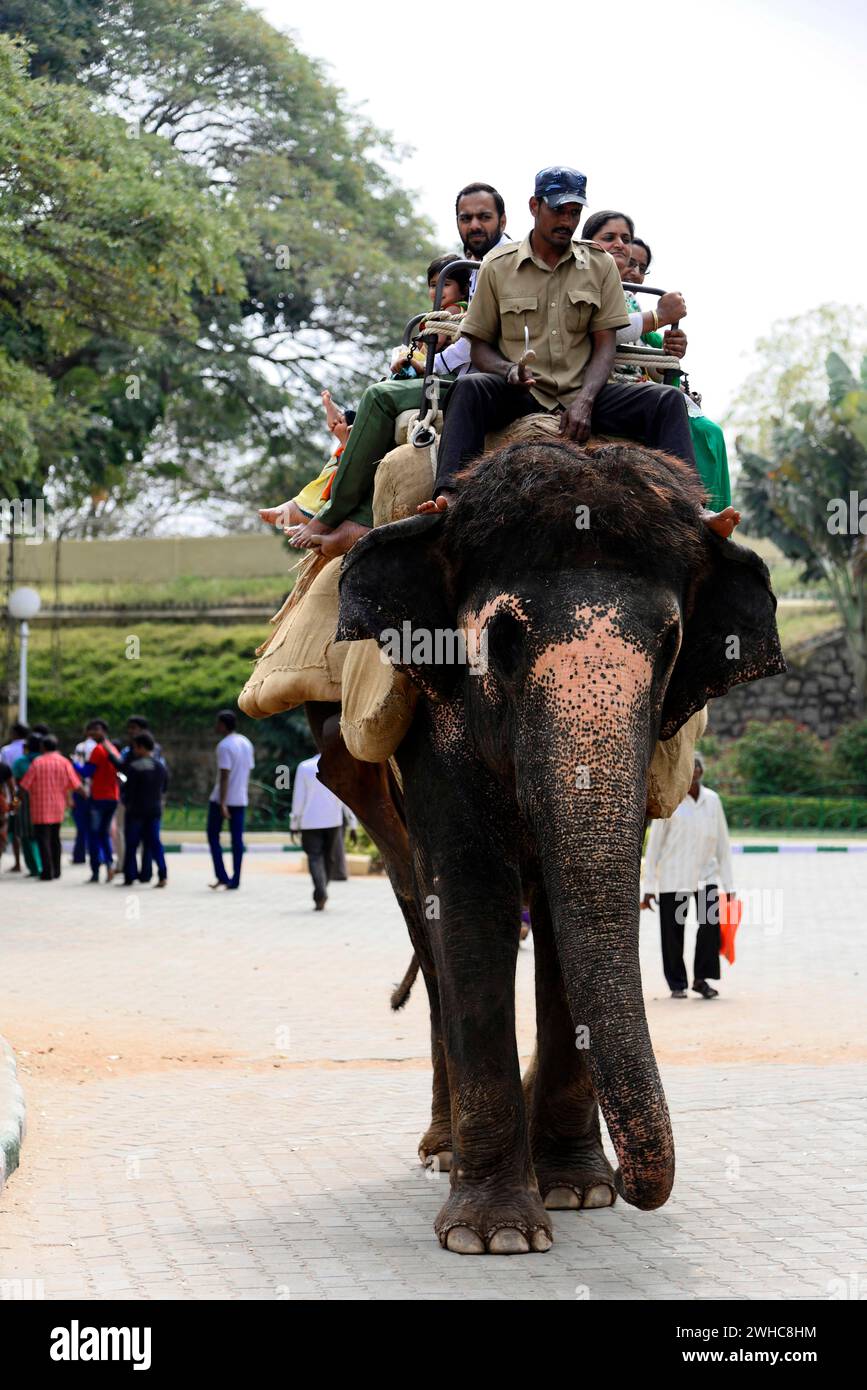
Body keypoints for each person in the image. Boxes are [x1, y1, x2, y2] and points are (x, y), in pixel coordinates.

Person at [419, 167, 705, 515]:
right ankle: (448, 499)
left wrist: (585, 400)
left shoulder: (598, 264)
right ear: (534, 206)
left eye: (574, 212)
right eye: (558, 209)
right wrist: (508, 370)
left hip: (584, 392)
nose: (566, 220)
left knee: (667, 401)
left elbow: (605, 345)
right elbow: (478, 346)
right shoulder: (497, 265)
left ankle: (691, 509)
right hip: (520, 391)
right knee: (468, 391)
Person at [266, 182, 509, 558]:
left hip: (480, 382)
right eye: (466, 218)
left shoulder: (502, 264)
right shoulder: (475, 266)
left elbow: (474, 342)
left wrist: (428, 364)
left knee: (379, 398)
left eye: (483, 217)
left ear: (503, 219)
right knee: (377, 402)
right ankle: (342, 511)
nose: (474, 224)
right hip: (460, 375)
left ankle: (330, 515)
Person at [626, 234, 734, 513]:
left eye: (641, 268)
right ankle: (693, 508)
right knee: (701, 430)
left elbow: (653, 356)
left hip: (640, 386)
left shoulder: (636, 307)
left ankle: (710, 513)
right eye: (629, 263)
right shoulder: (604, 297)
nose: (635, 273)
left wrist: (671, 350)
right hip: (613, 387)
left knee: (710, 430)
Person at [640, 755, 734, 999]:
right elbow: (654, 848)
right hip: (673, 878)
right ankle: (677, 984)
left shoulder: (712, 801)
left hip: (706, 877)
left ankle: (702, 979)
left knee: (709, 927)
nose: (693, 772)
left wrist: (729, 886)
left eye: (697, 767)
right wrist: (649, 886)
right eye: (689, 768)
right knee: (673, 932)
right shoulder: (670, 800)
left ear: (702, 772)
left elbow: (723, 845)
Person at [290, 753, 356, 911]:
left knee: (314, 858)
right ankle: (321, 892)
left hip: (310, 822)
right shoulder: (340, 765)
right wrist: (352, 824)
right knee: (329, 858)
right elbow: (347, 796)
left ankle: (320, 892)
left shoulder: (304, 767)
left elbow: (298, 798)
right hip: (333, 822)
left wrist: (294, 823)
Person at [18, 735, 81, 881]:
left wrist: (15, 802)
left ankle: (47, 872)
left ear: (43, 747)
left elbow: (24, 786)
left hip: (40, 808)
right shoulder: (64, 762)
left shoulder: (37, 762)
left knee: (43, 840)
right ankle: (57, 870)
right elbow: (76, 784)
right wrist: (86, 797)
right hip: (57, 807)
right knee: (55, 839)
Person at [207, 709, 255, 891]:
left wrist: (223, 803)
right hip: (240, 799)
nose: (216, 726)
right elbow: (248, 770)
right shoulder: (246, 742)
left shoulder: (224, 746)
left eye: (218, 723)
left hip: (222, 800)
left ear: (223, 725)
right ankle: (235, 880)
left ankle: (222, 876)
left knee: (213, 837)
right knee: (237, 841)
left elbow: (224, 776)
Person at [122, 732, 169, 888]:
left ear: (141, 747)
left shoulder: (134, 767)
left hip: (135, 812)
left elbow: (128, 790)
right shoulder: (161, 767)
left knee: (131, 844)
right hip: (154, 811)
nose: (134, 750)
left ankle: (130, 876)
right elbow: (164, 788)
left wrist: (126, 802)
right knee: (155, 843)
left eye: (135, 747)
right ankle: (162, 875)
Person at [83, 719, 122, 883]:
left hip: (99, 797)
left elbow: (88, 772)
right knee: (103, 834)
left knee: (94, 835)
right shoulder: (113, 749)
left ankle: (95, 872)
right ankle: (109, 864)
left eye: (94, 730)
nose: (92, 733)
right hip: (113, 797)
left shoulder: (98, 750)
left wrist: (73, 766)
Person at [10, 733, 43, 877]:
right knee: (43, 835)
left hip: (25, 801)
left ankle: (34, 867)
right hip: (44, 801)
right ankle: (44, 865)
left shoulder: (20, 762)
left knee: (25, 835)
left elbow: (18, 786)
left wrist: (14, 803)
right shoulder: (44, 760)